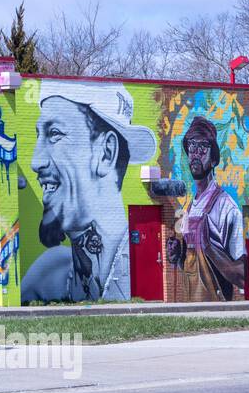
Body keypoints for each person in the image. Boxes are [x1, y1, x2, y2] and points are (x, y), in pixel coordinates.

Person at [22, 81, 158, 302]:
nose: (36, 162)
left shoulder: (142, 266)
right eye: (38, 135)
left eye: (54, 134)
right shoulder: (49, 273)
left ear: (106, 153)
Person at [166, 117, 247, 301]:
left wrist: (209, 247)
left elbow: (243, 276)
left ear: (214, 160)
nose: (195, 153)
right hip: (190, 310)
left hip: (218, 309)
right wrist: (177, 256)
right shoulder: (185, 210)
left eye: (202, 147)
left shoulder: (226, 208)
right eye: (192, 147)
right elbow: (190, 266)